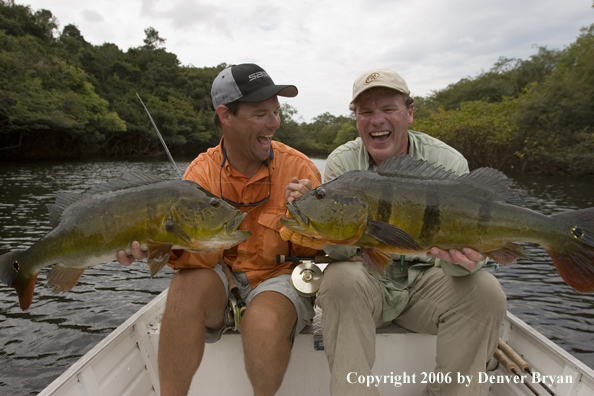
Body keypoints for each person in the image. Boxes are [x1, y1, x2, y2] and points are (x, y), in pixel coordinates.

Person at [117, 63, 323, 396]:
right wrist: (159, 246)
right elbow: (194, 261)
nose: (274, 123)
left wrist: (309, 214)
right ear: (226, 115)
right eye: (260, 114)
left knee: (264, 320)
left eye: (275, 112)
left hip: (277, 279)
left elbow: (312, 256)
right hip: (220, 279)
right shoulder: (199, 174)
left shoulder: (300, 168)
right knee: (183, 291)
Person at [316, 69, 507, 396]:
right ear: (357, 120)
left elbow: (470, 236)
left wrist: (468, 259)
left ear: (410, 113)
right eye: (365, 112)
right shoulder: (341, 164)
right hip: (369, 284)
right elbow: (338, 249)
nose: (377, 120)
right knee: (340, 282)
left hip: (428, 281)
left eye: (388, 109)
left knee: (486, 291)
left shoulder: (447, 162)